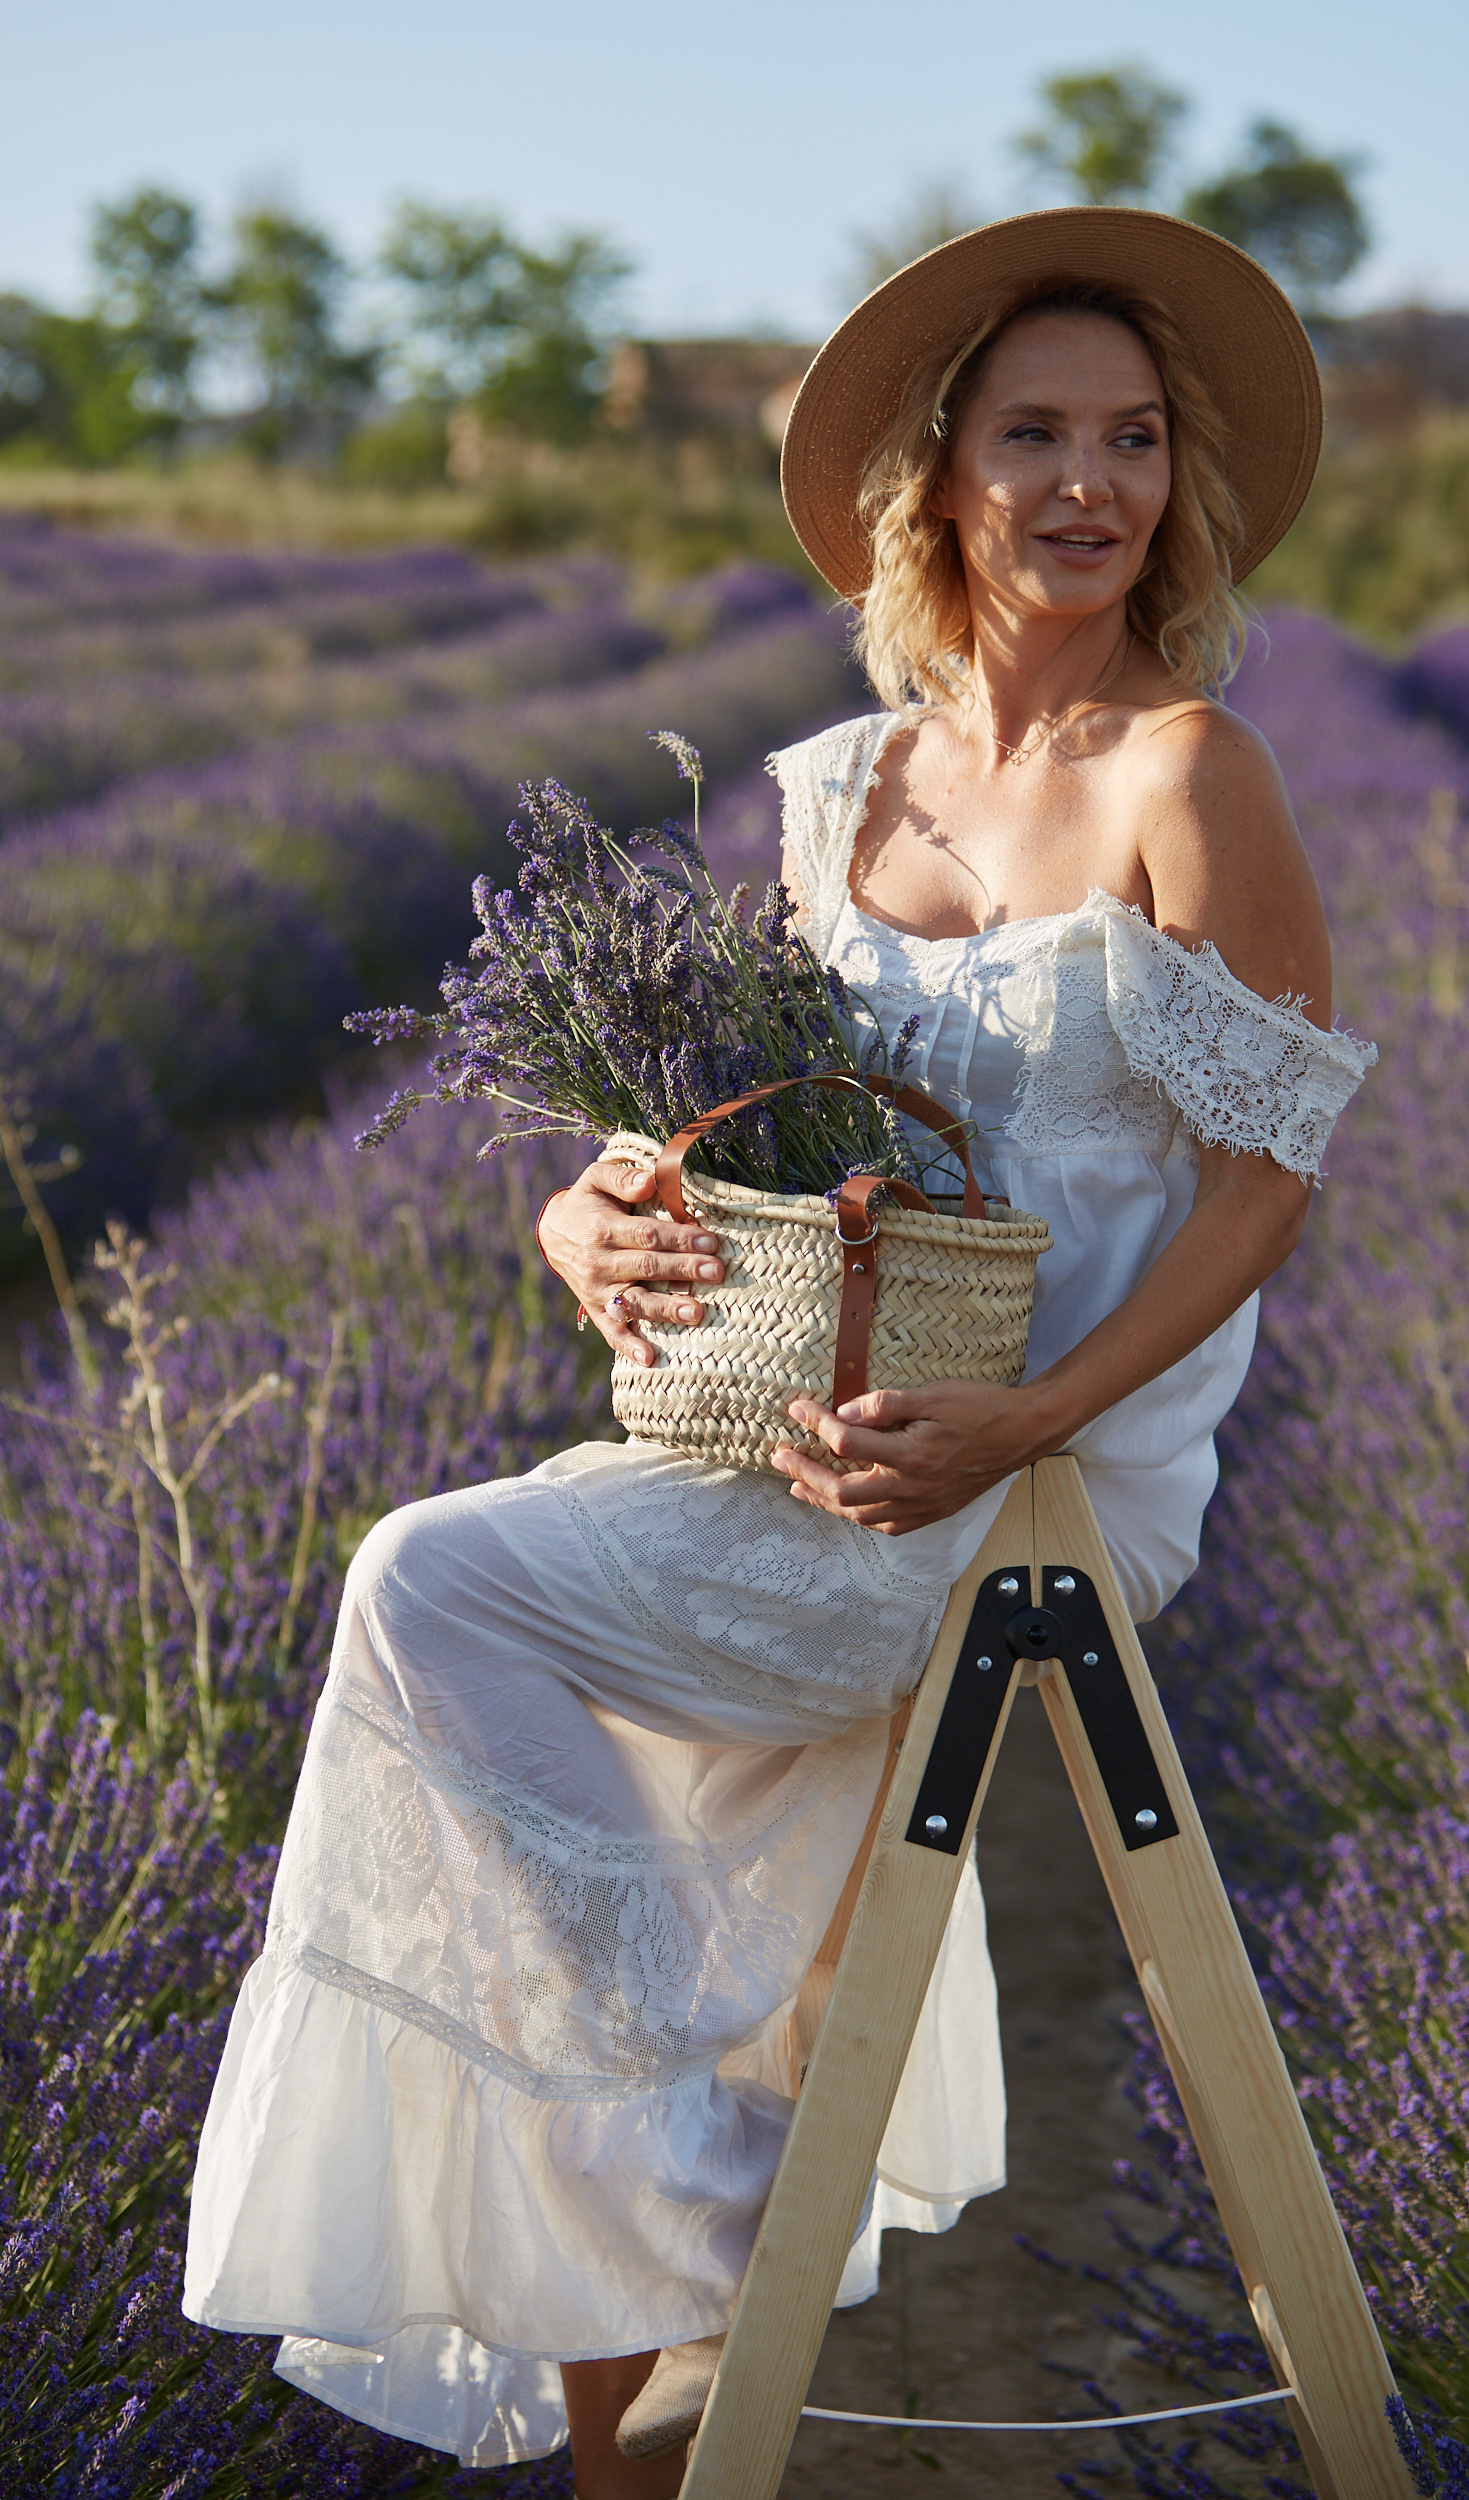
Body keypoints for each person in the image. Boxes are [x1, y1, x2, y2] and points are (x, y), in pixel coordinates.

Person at [183, 207, 1373, 2496]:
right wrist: (591, 1202)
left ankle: (688, 2198)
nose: (1087, 483)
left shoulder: (1186, 771)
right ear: (940, 480)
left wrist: (1025, 1415)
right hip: (812, 1415)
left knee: (434, 1583)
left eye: (1130, 440)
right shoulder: (846, 789)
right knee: (470, 1636)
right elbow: (745, 1108)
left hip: (1047, 1465)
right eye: (1033, 432)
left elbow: (1263, 1191)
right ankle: (658, 2252)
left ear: (1174, 488)